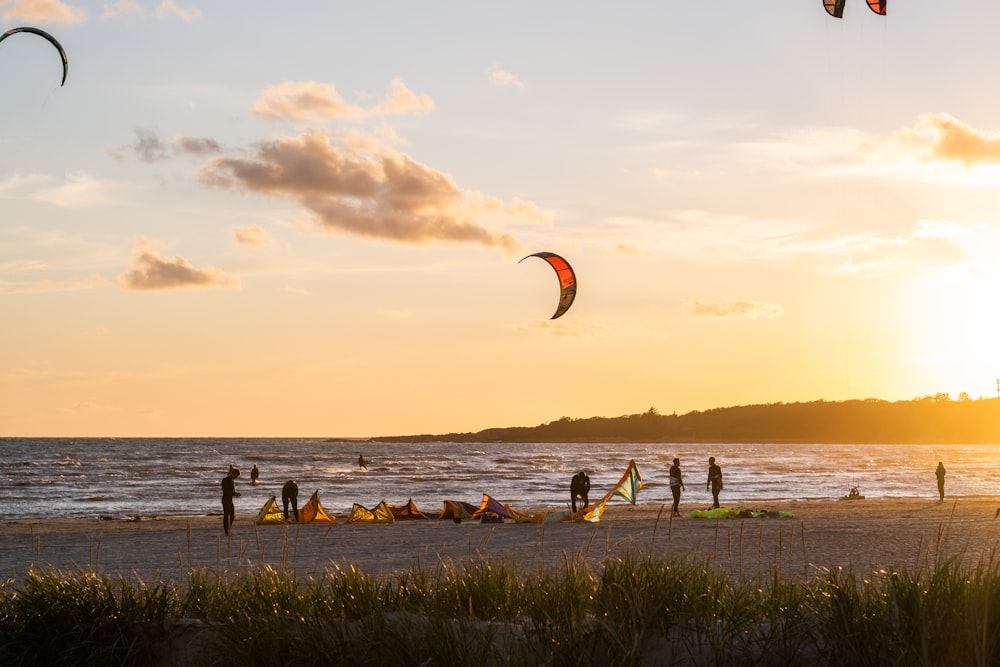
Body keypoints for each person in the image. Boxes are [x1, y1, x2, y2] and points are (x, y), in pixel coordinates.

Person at [221, 466, 241, 535]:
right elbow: (226, 491)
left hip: (229, 499)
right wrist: (234, 494)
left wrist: (235, 494)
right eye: (236, 476)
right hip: (226, 499)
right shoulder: (225, 480)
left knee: (232, 515)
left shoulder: (231, 481)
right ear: (233, 474)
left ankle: (228, 529)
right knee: (227, 515)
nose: (236, 478)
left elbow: (231, 491)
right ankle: (226, 530)